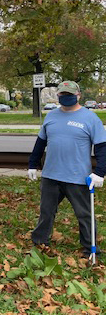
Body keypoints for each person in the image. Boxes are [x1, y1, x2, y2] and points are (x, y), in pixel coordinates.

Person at [28, 80, 106, 257]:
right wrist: (32, 164)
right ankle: (40, 241)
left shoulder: (90, 118)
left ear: (78, 95)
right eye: (63, 95)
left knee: (84, 214)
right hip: (51, 175)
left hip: (77, 177)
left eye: (70, 95)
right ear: (58, 96)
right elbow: (40, 143)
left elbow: (102, 148)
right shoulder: (51, 116)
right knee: (46, 211)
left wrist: (100, 173)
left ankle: (90, 248)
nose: (66, 98)